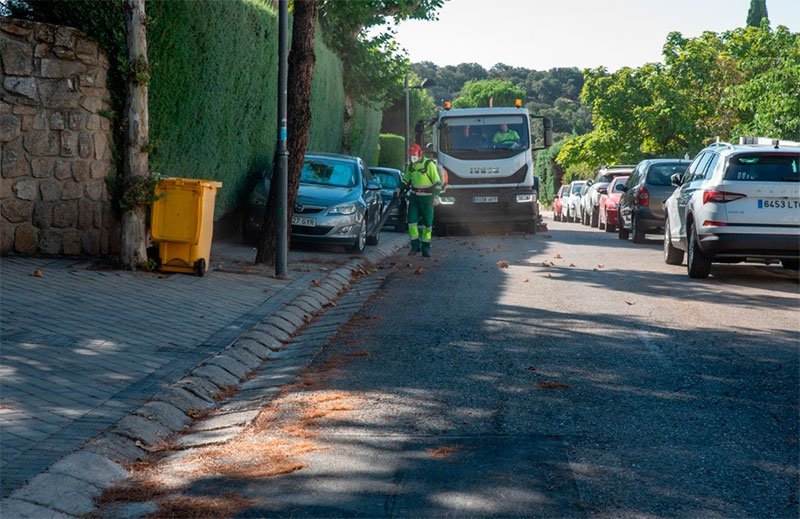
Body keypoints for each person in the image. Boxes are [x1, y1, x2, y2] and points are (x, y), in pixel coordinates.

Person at [395, 144, 442, 257]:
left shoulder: (429, 164)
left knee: (428, 224)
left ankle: (426, 248)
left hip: (427, 198)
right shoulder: (410, 165)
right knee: (411, 222)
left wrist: (436, 196)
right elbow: (406, 179)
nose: (412, 157)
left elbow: (438, 182)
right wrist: (398, 188)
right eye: (411, 155)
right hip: (414, 197)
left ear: (420, 153)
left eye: (414, 155)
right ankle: (415, 247)